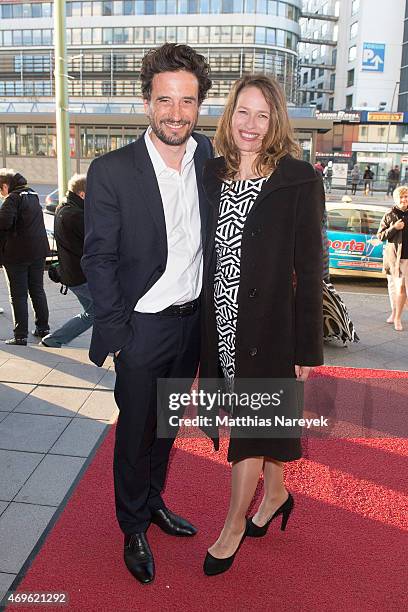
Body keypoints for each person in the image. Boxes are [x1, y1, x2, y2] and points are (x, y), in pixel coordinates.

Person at [81, 43, 213, 585]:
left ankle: (154, 502)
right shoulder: (112, 169)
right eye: (165, 100)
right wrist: (119, 337)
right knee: (135, 434)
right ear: (146, 103)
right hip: (142, 328)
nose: (176, 112)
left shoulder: (211, 157)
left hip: (193, 326)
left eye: (187, 101)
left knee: (166, 429)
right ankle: (132, 525)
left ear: (200, 105)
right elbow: (99, 257)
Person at [200, 75, 324, 576]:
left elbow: (314, 266)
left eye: (262, 115)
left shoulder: (298, 178)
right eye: (242, 113)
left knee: (251, 428)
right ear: (230, 116)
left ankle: (232, 527)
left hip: (272, 326)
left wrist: (307, 347)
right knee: (258, 420)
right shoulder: (209, 172)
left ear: (275, 122)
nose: (250, 125)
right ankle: (275, 496)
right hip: (220, 324)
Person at [40, 174, 93, 348]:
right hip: (80, 275)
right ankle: (55, 339)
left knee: (95, 311)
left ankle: (107, 344)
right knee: (96, 312)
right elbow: (94, 243)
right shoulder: (76, 215)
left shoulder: (64, 208)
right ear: (83, 194)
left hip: (72, 272)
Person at [0, 169, 50, 345]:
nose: (1, 193)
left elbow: (4, 223)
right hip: (38, 251)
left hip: (16, 254)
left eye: (0, 189)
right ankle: (43, 328)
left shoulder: (12, 198)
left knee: (18, 295)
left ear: (5, 185)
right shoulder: (32, 194)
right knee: (37, 290)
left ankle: (20, 335)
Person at [322, 210, 359, 345]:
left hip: (317, 267)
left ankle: (328, 330)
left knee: (323, 303)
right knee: (325, 303)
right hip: (319, 267)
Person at [377, 185, 408, 331]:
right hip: (394, 258)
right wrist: (394, 227)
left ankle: (397, 315)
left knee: (401, 288)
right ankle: (396, 315)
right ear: (396, 199)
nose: (404, 200)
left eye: (406, 197)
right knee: (396, 287)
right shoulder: (389, 214)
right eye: (401, 197)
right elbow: (380, 236)